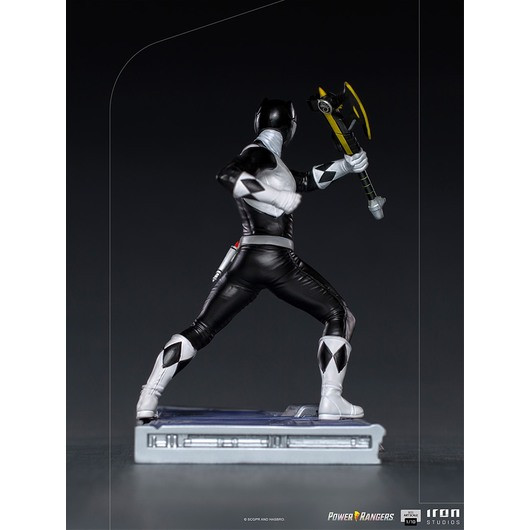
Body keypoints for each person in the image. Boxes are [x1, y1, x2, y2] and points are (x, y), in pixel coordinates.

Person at [136, 99, 369, 422]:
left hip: (247, 260)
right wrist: (275, 197)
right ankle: (331, 398)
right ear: (292, 127)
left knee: (202, 329)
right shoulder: (260, 153)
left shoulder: (272, 163)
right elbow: (228, 175)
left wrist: (345, 165)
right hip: (277, 259)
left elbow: (303, 181)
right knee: (339, 314)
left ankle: (148, 396)